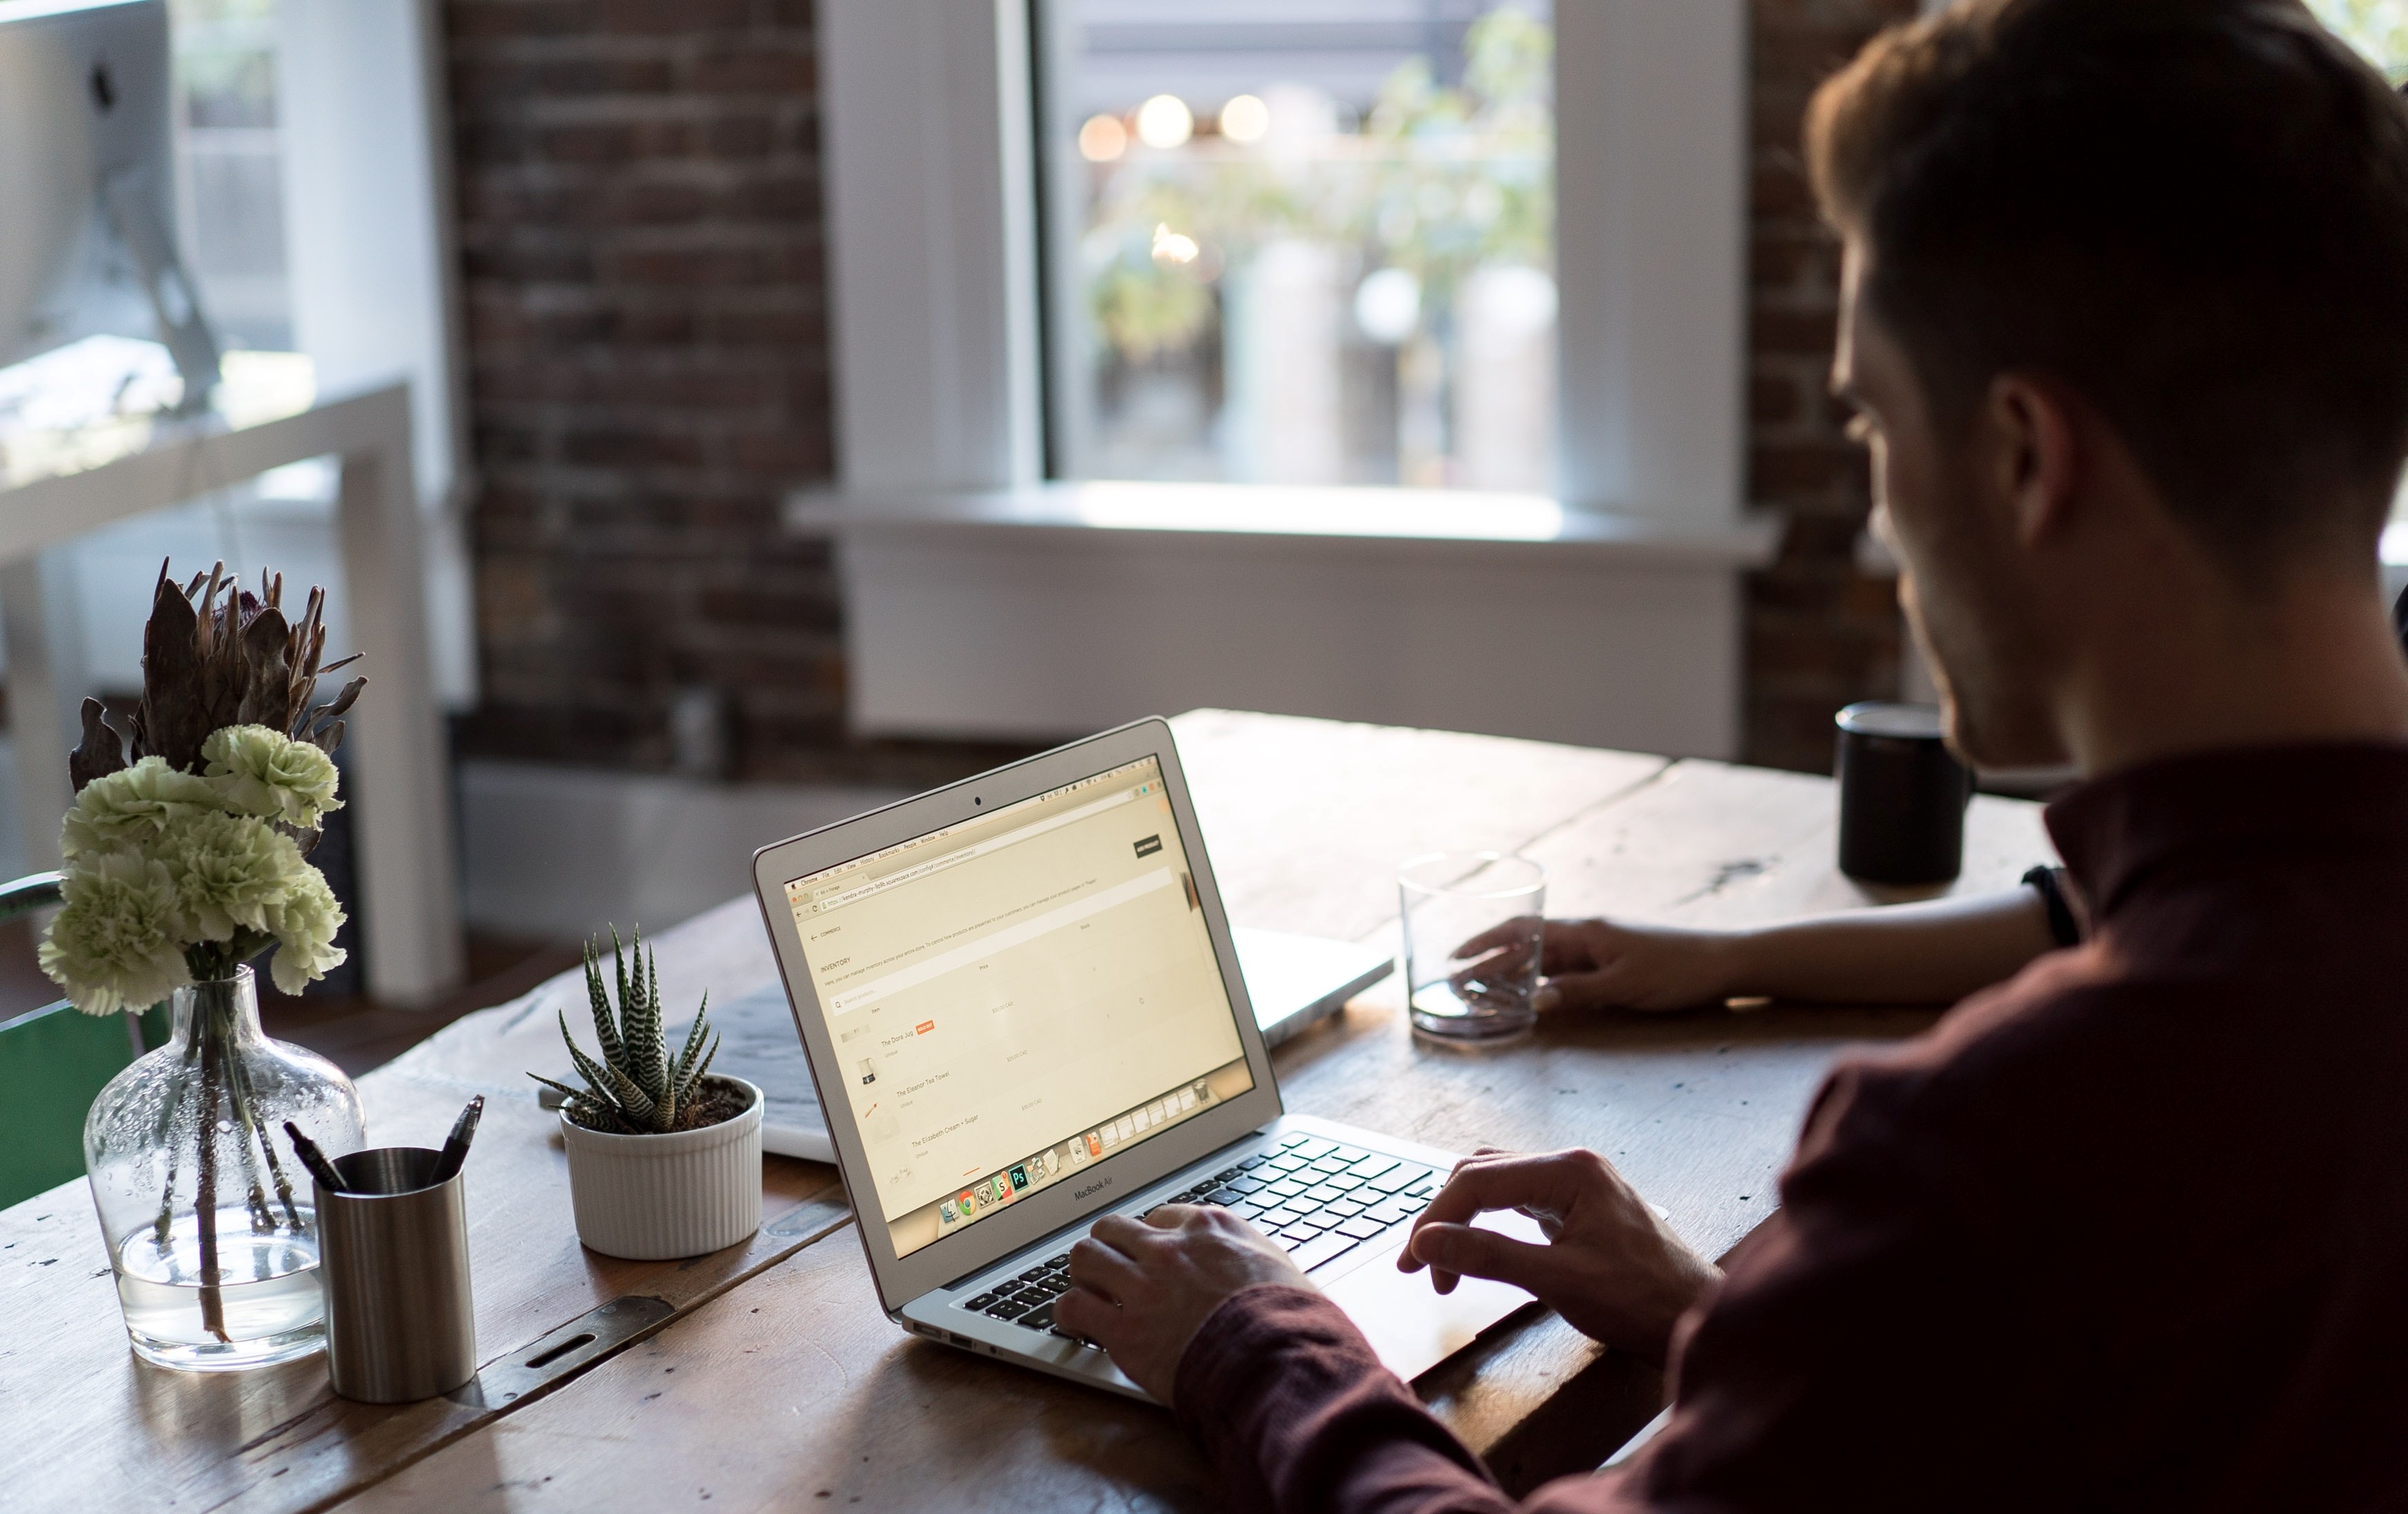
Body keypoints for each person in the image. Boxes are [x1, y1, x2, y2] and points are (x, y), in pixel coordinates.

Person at [1052, 2, 2408, 1508]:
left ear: (2028, 459)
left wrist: (1255, 1338)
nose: (1882, 530)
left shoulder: (2005, 1152)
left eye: (1877, 428)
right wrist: (1749, 1329)